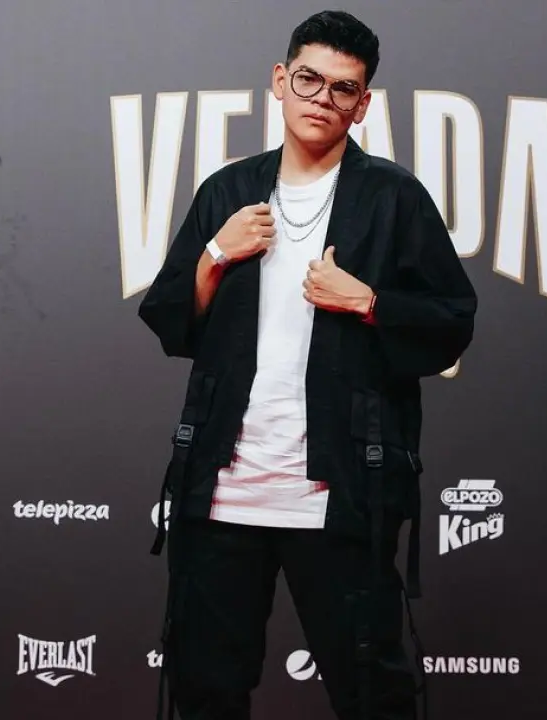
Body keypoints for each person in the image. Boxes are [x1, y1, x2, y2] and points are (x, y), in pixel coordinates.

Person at [138, 10, 477, 720]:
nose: (322, 98)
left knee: (373, 695)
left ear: (363, 104)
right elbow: (170, 320)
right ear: (279, 81)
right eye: (308, 80)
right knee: (206, 692)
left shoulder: (393, 198)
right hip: (223, 492)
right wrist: (215, 255)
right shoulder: (228, 192)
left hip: (342, 489)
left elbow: (451, 323)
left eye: (342, 88)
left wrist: (369, 302)